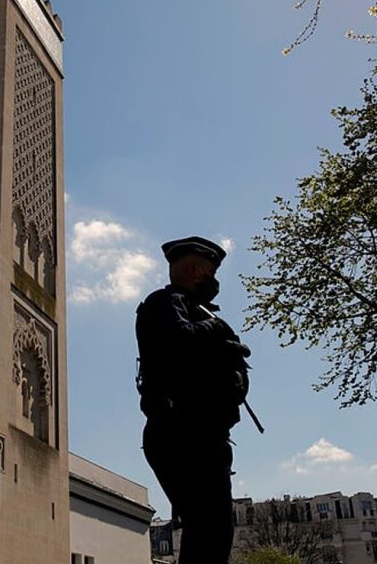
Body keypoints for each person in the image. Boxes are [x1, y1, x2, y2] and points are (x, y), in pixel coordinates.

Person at [136, 236, 249, 564]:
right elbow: (177, 339)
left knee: (213, 530)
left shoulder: (193, 308)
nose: (213, 281)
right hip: (182, 433)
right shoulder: (164, 302)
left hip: (205, 434)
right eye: (209, 272)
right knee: (209, 529)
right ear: (192, 270)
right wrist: (217, 332)